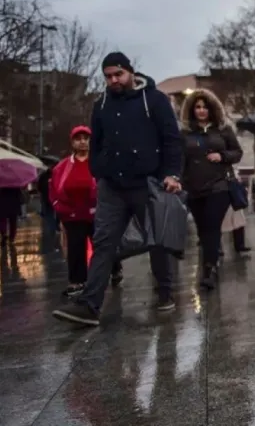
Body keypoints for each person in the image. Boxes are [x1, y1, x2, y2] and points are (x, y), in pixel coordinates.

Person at [52, 52, 183, 326]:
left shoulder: (154, 100)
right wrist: (98, 171)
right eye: (108, 76)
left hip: (147, 181)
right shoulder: (101, 105)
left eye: (118, 75)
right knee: (103, 243)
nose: (113, 80)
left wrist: (172, 174)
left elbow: (172, 139)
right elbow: (96, 143)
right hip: (112, 186)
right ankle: (89, 305)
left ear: (130, 72)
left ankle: (165, 292)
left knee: (158, 239)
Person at [179, 89, 242, 289]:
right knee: (202, 229)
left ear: (212, 109)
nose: (201, 110)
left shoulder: (223, 130)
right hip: (193, 188)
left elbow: (237, 152)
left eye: (205, 107)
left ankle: (209, 268)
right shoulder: (185, 134)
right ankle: (209, 261)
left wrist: (222, 156)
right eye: (197, 107)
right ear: (192, 110)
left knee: (212, 225)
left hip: (219, 186)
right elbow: (180, 159)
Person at [49, 126, 120, 297]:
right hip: (73, 214)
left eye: (85, 138)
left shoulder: (99, 162)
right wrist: (60, 207)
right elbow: (54, 189)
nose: (82, 142)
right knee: (75, 247)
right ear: (72, 142)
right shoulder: (62, 166)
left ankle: (115, 268)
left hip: (98, 212)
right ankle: (77, 281)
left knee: (103, 245)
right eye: (78, 138)